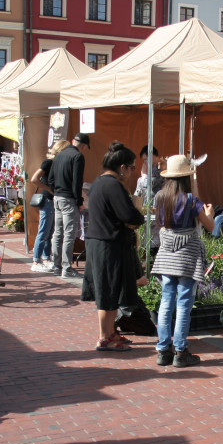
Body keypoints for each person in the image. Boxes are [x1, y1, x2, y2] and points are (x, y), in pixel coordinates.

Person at [151, 155, 215, 367]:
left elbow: (160, 223)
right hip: (187, 255)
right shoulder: (191, 200)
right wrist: (209, 213)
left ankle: (163, 350)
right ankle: (180, 351)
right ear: (187, 176)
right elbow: (211, 227)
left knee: (166, 302)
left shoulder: (160, 196)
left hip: (167, 253)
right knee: (184, 303)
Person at [82, 141, 145, 352]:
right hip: (108, 245)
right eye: (132, 167)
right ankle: (104, 337)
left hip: (102, 242)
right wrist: (138, 216)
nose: (132, 172)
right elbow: (129, 214)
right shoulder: (113, 185)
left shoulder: (100, 182)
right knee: (108, 291)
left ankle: (110, 333)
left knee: (110, 289)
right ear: (122, 167)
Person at [49, 133, 89, 279]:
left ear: (73, 141)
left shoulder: (59, 155)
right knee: (69, 234)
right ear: (83, 146)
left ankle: (56, 265)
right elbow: (77, 181)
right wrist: (79, 201)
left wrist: (56, 191)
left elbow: (50, 179)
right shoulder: (77, 157)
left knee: (58, 232)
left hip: (57, 197)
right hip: (69, 199)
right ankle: (66, 268)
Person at [29, 139, 70, 272]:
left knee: (50, 231)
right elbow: (34, 179)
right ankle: (36, 260)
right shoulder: (49, 162)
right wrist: (49, 190)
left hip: (53, 200)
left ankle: (46, 258)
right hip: (47, 199)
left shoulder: (58, 162)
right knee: (44, 230)